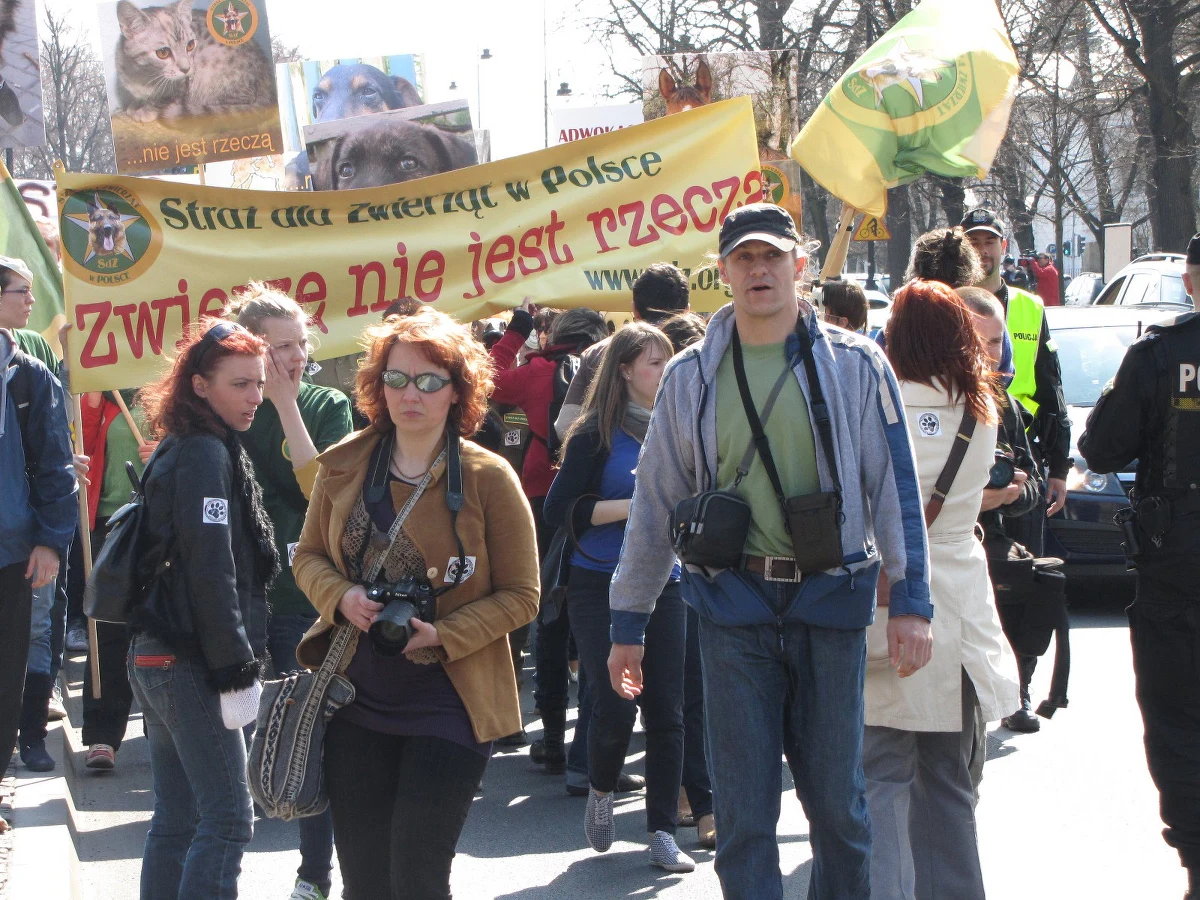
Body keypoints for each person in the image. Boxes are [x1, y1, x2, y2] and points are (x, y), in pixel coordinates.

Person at [606, 204, 933, 900]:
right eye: (744, 259)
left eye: (772, 256)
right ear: (721, 272)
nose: (759, 270)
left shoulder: (855, 364)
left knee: (840, 811)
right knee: (745, 817)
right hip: (732, 607)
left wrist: (911, 601)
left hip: (829, 600)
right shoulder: (690, 376)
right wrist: (628, 622)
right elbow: (655, 502)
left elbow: (894, 490)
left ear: (801, 267)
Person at [292, 308, 540, 900]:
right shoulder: (345, 464)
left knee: (417, 879)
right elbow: (305, 557)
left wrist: (445, 633)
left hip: (450, 700)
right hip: (355, 697)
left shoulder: (488, 476)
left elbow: (523, 595)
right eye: (398, 379)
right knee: (365, 882)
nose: (412, 394)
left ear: (458, 391)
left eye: (431, 381)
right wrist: (343, 596)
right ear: (378, 387)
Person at [865, 279, 1019, 900]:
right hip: (955, 601)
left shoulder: (880, 402)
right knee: (950, 785)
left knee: (879, 776)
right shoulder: (980, 411)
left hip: (888, 598)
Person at [129, 319, 279, 900]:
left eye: (259, 384)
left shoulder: (188, 447)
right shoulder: (202, 455)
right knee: (228, 820)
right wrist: (235, 669)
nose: (255, 398)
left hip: (158, 654)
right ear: (199, 386)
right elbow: (210, 570)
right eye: (240, 384)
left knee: (178, 819)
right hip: (188, 660)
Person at [1077, 232, 1200, 900]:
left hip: (1177, 561)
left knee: (1179, 715)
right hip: (1177, 559)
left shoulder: (1159, 356)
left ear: (1190, 280)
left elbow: (1101, 448)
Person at [544, 323, 693, 872]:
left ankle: (659, 834)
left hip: (667, 581)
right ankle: (602, 789)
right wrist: (636, 506)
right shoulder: (594, 435)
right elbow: (559, 510)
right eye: (653, 363)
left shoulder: (679, 427)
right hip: (598, 581)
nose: (664, 372)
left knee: (667, 709)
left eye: (667, 361)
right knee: (612, 704)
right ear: (625, 370)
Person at [234, 286, 354, 900]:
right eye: (281, 348)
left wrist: (285, 405)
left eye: (302, 343)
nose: (297, 356)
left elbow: (324, 493)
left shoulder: (325, 403)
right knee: (237, 727)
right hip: (234, 596)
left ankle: (314, 874)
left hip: (299, 599)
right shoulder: (230, 404)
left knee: (306, 735)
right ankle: (225, 853)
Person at [489, 303, 608, 755]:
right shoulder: (615, 370)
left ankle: (525, 724)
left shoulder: (536, 372)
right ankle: (592, 736)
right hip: (600, 504)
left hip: (537, 500)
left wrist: (516, 331)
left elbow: (487, 378)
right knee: (595, 611)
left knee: (531, 604)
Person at [960, 286, 1054, 733]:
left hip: (998, 542)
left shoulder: (1007, 409)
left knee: (1038, 584)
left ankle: (1018, 689)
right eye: (979, 342)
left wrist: (1014, 494)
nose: (990, 353)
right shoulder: (918, 400)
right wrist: (970, 500)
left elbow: (1032, 481)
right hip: (945, 549)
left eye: (996, 342)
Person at [0, 311, 76, 794]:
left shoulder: (28, 376)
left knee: (11, 666)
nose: (26, 299)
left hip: (12, 552)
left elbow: (55, 463)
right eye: (18, 291)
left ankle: (21, 744)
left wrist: (50, 542)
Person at [961, 208, 1071, 519]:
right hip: (964, 450)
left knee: (1024, 562)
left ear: (1003, 246)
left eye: (989, 242)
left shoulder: (1030, 307)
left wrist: (1059, 467)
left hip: (1022, 453)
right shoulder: (948, 302)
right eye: (974, 243)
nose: (983, 251)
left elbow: (1051, 387)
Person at [78, 388, 148, 771]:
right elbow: (83, 452)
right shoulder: (103, 394)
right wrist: (88, 405)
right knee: (106, 630)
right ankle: (102, 736)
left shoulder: (183, 391)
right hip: (110, 526)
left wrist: (164, 454)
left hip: (160, 522)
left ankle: (163, 731)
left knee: (159, 625)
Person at [555, 263, 691, 438]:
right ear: (687, 310)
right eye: (656, 362)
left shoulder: (597, 353)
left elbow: (565, 427)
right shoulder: (701, 353)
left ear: (634, 309)